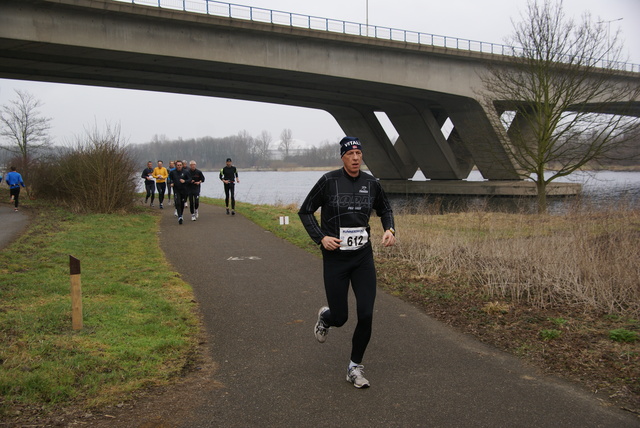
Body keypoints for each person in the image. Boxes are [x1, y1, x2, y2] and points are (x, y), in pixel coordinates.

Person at [298, 136, 396, 389]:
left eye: (358, 153)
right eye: (350, 154)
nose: (355, 158)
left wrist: (390, 229)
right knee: (341, 317)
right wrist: (321, 238)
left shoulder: (372, 183)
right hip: (335, 259)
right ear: (342, 157)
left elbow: (385, 209)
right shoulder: (329, 181)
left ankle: (354, 366)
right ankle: (326, 318)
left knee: (365, 314)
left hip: (362, 257)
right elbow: (305, 210)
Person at [169, 160, 191, 224]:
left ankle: (181, 214)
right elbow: (170, 179)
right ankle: (180, 216)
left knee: (182, 203)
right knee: (177, 202)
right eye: (178, 165)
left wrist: (184, 181)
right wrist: (171, 183)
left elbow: (189, 179)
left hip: (184, 190)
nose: (179, 166)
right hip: (176, 189)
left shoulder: (186, 172)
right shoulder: (172, 172)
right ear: (176, 166)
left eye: (180, 165)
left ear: (182, 165)